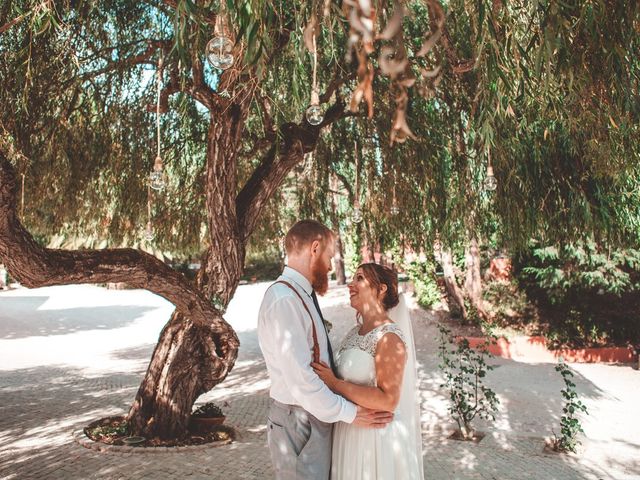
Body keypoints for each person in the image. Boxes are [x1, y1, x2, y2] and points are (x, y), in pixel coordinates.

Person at [257, 220, 394, 480]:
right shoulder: (285, 301)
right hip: (299, 420)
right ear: (315, 248)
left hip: (313, 415)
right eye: (330, 256)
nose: (331, 266)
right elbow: (302, 381)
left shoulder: (300, 295)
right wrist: (352, 414)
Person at [312, 263, 424, 479]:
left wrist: (334, 383)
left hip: (375, 440)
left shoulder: (389, 337)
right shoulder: (355, 332)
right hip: (349, 431)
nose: (350, 285)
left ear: (381, 289)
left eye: (360, 278)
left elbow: (388, 399)